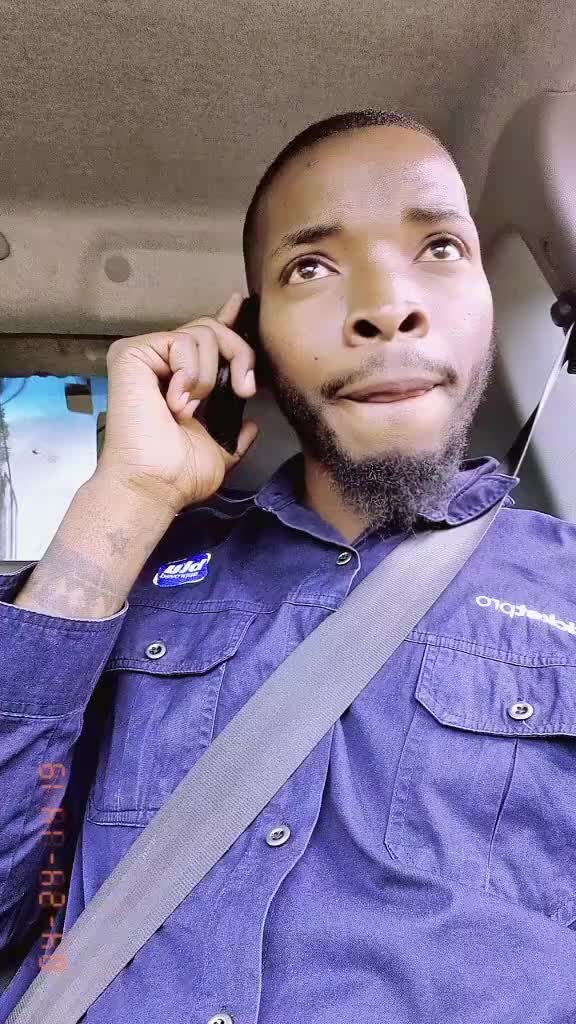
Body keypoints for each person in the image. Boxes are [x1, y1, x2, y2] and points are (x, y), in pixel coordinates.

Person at [1, 108, 576, 1024]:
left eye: (439, 247)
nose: (387, 305)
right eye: (311, 266)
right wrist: (127, 500)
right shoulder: (140, 573)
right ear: (254, 341)